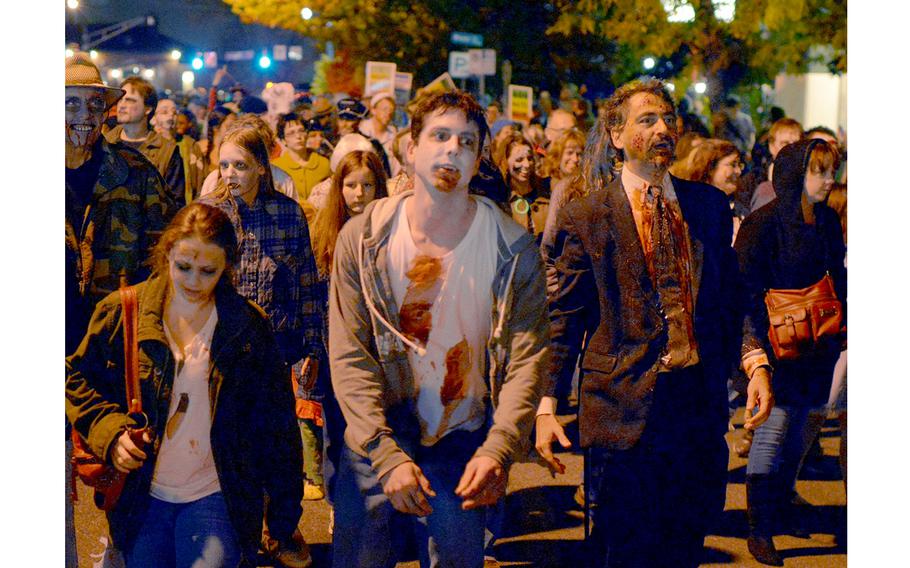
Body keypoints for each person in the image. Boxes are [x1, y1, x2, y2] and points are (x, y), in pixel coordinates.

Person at [537, 78, 773, 567]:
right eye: (647, 120)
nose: (663, 128)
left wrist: (754, 362)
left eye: (668, 118)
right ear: (617, 136)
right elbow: (567, 318)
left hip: (696, 402)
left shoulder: (707, 205)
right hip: (623, 407)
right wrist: (546, 404)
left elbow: (733, 294)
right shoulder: (589, 215)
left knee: (687, 540)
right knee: (626, 548)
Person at [328, 90, 549, 567]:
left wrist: (500, 448)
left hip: (464, 438)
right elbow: (350, 353)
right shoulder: (365, 240)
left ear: (477, 162)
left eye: (466, 142)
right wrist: (384, 454)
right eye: (440, 136)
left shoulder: (512, 249)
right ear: (411, 149)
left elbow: (528, 360)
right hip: (378, 431)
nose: (451, 149)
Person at [66, 203, 304, 568]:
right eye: (183, 267)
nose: (194, 281)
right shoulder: (123, 311)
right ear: (167, 254)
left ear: (227, 267)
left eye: (208, 271)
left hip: (217, 493)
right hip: (142, 497)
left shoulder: (248, 328)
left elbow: (278, 429)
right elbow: (74, 378)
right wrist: (111, 433)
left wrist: (283, 520)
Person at [198, 119, 326, 568]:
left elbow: (309, 283)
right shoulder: (209, 215)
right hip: (223, 351)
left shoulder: (288, 214)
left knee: (281, 447)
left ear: (261, 167)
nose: (230, 174)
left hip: (276, 349)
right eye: (224, 165)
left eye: (241, 165)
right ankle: (241, 536)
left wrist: (312, 344)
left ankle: (284, 529)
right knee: (231, 448)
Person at [735, 138, 846, 566]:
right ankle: (759, 529)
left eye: (831, 170)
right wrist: (754, 351)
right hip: (778, 347)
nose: (829, 180)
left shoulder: (827, 220)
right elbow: (744, 290)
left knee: (804, 430)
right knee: (773, 430)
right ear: (796, 174)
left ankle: (781, 505)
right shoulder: (763, 224)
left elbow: (838, 275)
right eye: (820, 171)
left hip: (820, 343)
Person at [106, 77, 186, 208]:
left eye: (130, 100)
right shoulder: (106, 143)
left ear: (148, 109)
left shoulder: (166, 151)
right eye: (120, 99)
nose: (122, 105)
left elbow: (176, 203)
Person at [494, 131, 550, 239]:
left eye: (529, 158)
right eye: (519, 160)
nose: (527, 164)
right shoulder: (500, 199)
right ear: (505, 162)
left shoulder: (546, 190)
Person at [272, 112, 332, 203]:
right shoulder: (275, 168)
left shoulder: (324, 164)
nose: (298, 136)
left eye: (301, 130)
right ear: (283, 140)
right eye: (291, 133)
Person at [750, 118, 802, 212]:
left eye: (796, 144)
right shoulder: (752, 180)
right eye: (784, 143)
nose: (791, 149)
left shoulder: (807, 181)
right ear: (771, 146)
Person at [187, 106, 236, 201]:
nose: (234, 130)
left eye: (236, 126)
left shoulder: (235, 153)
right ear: (216, 128)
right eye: (230, 126)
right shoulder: (199, 148)